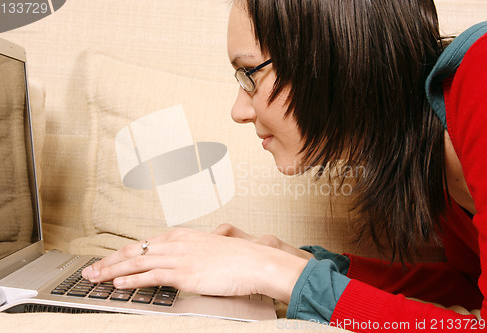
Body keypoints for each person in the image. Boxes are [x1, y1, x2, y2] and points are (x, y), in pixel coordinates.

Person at [82, 0, 487, 331]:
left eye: (249, 74)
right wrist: (309, 265)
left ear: (332, 55)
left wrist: (275, 273)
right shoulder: (432, 151)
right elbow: (470, 290)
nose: (239, 110)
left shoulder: (481, 78)